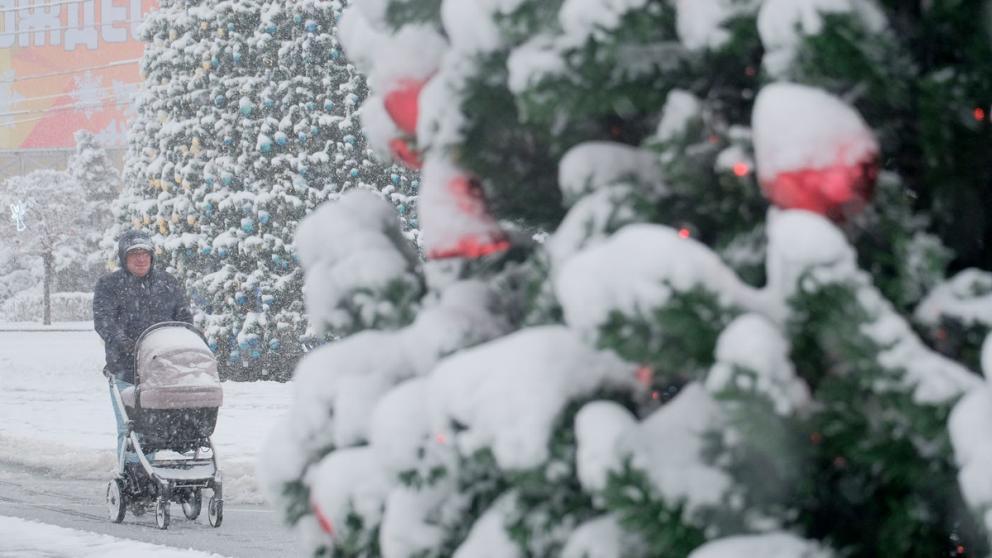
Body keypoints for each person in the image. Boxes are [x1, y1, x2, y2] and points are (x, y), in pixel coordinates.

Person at [93, 230, 194, 462]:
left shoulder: (168, 283)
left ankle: (157, 471)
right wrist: (126, 343)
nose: (140, 259)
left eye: (145, 253)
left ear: (152, 256)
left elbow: (184, 318)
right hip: (126, 369)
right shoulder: (109, 285)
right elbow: (104, 321)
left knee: (161, 426)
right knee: (130, 427)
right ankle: (131, 476)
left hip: (164, 368)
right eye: (134, 254)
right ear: (123, 257)